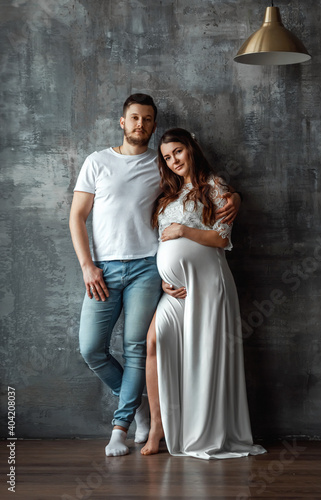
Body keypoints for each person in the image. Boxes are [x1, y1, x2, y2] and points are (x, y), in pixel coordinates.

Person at [69, 94, 241, 457]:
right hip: (105, 268)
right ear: (122, 121)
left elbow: (205, 191)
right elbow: (77, 216)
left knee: (138, 347)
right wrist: (87, 265)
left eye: (147, 120)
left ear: (154, 124)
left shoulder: (160, 165)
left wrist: (235, 197)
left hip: (148, 271)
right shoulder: (98, 161)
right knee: (91, 348)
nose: (140, 125)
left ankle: (121, 428)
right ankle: (139, 407)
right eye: (134, 118)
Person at [141, 128, 266, 460]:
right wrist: (163, 279)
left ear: (191, 148)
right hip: (176, 291)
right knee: (153, 342)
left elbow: (221, 239)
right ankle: (159, 426)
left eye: (178, 151)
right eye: (167, 157)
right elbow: (162, 244)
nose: (174, 160)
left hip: (209, 284)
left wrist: (184, 230)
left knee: (204, 356)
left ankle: (203, 431)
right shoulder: (167, 194)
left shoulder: (216, 186)